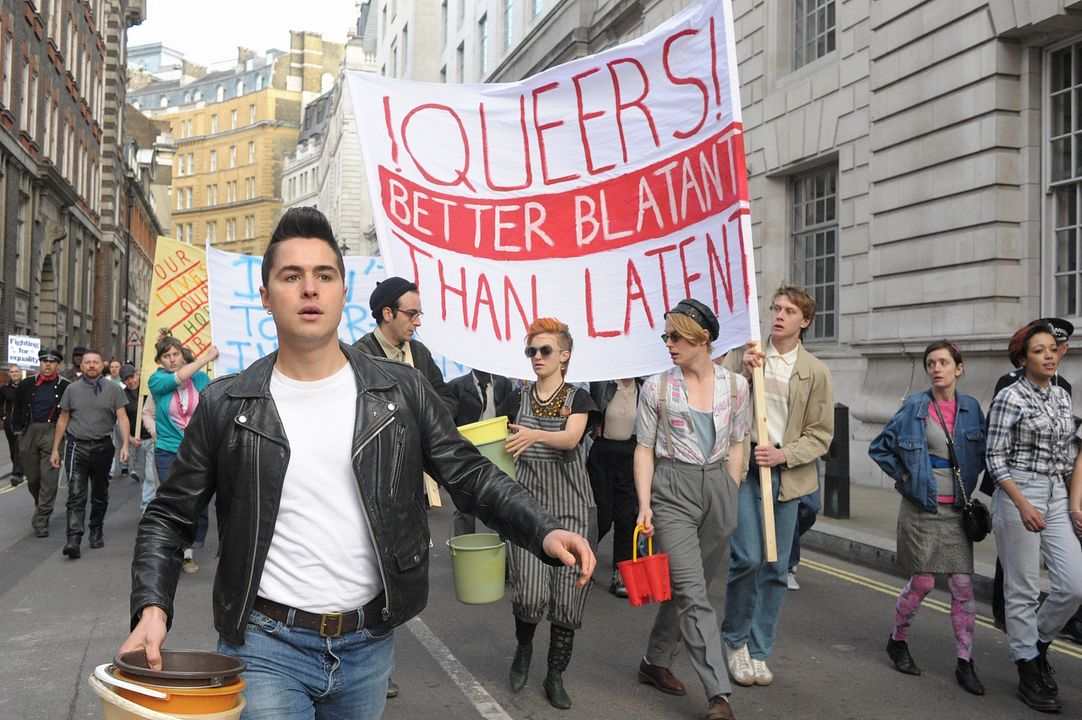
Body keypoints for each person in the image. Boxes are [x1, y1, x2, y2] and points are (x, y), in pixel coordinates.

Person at [119, 207, 595, 720]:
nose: (309, 289)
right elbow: (169, 515)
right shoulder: (227, 404)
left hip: (369, 646)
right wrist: (152, 606)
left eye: (324, 276)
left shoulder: (402, 391)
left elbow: (469, 473)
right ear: (265, 296)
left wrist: (543, 530)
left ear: (342, 292)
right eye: (291, 276)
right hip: (264, 646)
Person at [634, 299, 749, 720]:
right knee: (692, 590)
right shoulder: (656, 387)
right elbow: (644, 449)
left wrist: (731, 488)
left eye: (676, 336)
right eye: (666, 336)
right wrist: (645, 504)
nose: (669, 344)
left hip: (719, 485)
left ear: (703, 339)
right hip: (672, 490)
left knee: (688, 586)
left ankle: (654, 660)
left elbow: (738, 440)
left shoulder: (736, 386)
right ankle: (718, 692)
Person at [721, 283, 834, 687]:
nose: (779, 315)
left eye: (788, 310)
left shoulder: (815, 371)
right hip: (747, 468)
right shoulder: (748, 357)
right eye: (775, 308)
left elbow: (821, 434)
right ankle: (734, 640)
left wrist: (785, 454)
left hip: (789, 476)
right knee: (749, 557)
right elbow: (722, 404)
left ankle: (758, 649)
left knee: (776, 567)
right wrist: (743, 375)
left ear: (804, 321)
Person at [868, 341, 987, 696]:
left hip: (956, 512)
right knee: (921, 583)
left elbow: (980, 452)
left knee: (963, 588)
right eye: (931, 363)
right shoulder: (914, 407)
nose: (937, 368)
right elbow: (880, 448)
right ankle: (898, 640)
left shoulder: (970, 408)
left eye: (944, 362)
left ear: (959, 368)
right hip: (922, 509)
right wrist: (906, 480)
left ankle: (965, 661)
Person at [986, 322, 1082, 713]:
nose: (1049, 355)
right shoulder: (1010, 397)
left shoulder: (1061, 396)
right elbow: (994, 458)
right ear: (1023, 359)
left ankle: (1037, 643)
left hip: (1056, 491)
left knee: (1074, 584)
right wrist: (1023, 503)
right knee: (1022, 589)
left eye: (1053, 349)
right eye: (1039, 350)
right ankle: (1028, 668)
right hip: (1018, 490)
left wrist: (1071, 500)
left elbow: (1068, 452)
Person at [504, 317, 597, 710]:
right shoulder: (516, 399)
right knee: (528, 594)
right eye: (531, 350)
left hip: (572, 510)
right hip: (528, 512)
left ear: (564, 356)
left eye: (544, 350)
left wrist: (534, 434)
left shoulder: (580, 399)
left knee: (566, 601)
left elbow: (572, 438)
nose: (537, 357)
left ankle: (555, 674)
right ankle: (524, 648)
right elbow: (499, 446)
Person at [49, 349, 130, 558]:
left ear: (101, 365)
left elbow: (122, 418)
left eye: (95, 362)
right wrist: (55, 449)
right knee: (76, 495)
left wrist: (125, 445)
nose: (92, 365)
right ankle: (73, 540)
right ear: (82, 366)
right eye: (88, 362)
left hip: (103, 447)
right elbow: (63, 420)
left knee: (100, 494)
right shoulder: (71, 389)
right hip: (76, 448)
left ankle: (96, 530)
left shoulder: (114, 389)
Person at [148, 335, 217, 573]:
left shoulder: (201, 378)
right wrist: (206, 358)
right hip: (168, 450)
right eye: (166, 356)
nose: (172, 359)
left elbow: (212, 405)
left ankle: (188, 551)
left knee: (197, 501)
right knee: (173, 502)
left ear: (182, 354)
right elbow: (177, 378)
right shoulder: (157, 380)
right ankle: (172, 550)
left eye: (175, 354)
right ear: (160, 360)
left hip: (198, 451)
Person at [353, 276, 458, 418]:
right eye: (411, 314)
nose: (418, 322)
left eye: (418, 314)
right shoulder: (361, 356)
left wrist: (431, 421)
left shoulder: (420, 352)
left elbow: (446, 397)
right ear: (388, 313)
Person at [587, 377, 642, 597]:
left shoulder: (643, 388)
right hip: (603, 453)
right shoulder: (604, 384)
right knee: (603, 515)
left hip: (631, 454)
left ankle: (622, 571)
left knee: (626, 516)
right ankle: (583, 558)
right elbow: (590, 412)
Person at [447, 368, 519, 536]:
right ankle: (465, 547)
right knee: (464, 502)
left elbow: (510, 416)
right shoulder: (457, 386)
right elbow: (449, 420)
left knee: (500, 499)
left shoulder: (504, 384)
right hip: (467, 449)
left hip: (498, 448)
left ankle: (500, 549)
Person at [10, 349, 70, 537]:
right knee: (33, 477)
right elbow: (17, 408)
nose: (48, 365)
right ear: (40, 363)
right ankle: (41, 503)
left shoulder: (66, 386)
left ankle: (41, 519)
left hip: (53, 432)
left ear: (58, 365)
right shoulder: (27, 384)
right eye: (44, 361)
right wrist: (18, 430)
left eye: (52, 362)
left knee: (49, 479)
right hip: (29, 431)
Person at [121, 364, 158, 512]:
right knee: (143, 476)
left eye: (132, 376)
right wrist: (129, 438)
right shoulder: (122, 396)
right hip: (135, 442)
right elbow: (120, 421)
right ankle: (149, 504)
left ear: (138, 374)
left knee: (150, 476)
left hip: (151, 438)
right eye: (126, 379)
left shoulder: (149, 391)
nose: (131, 381)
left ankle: (147, 509)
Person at [2, 364, 26, 486]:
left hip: (22, 421)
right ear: (10, 374)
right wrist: (3, 416)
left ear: (20, 372)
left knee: (19, 446)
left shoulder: (26, 386)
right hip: (9, 421)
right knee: (13, 448)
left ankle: (17, 474)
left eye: (16, 371)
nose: (14, 374)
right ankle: (19, 469)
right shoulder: (5, 388)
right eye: (12, 372)